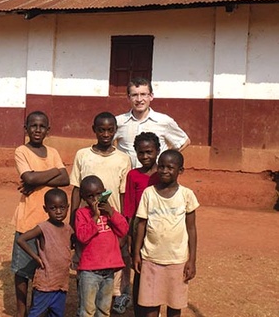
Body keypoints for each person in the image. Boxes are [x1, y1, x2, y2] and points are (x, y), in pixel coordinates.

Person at [69, 111, 131, 312]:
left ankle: (110, 307)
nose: (106, 134)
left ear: (115, 131)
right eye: (101, 130)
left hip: (111, 225)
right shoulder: (83, 155)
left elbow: (123, 195)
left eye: (110, 130)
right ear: (94, 130)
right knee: (85, 267)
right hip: (87, 222)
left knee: (110, 275)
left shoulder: (123, 159)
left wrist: (122, 224)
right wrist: (72, 224)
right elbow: (76, 190)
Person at [12, 110, 70, 317]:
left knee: (46, 265)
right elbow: (28, 177)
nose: (37, 130)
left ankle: (42, 306)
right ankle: (21, 310)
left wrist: (37, 179)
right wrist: (53, 172)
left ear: (48, 130)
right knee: (22, 269)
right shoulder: (22, 151)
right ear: (26, 129)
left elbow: (65, 179)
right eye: (33, 126)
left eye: (42, 126)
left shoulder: (53, 152)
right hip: (28, 216)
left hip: (51, 221)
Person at [133, 150, 199, 317]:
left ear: (180, 171)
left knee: (174, 306)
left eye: (170, 167)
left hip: (177, 260)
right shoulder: (149, 193)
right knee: (150, 307)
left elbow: (191, 228)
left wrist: (192, 259)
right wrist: (136, 253)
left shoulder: (186, 195)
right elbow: (141, 224)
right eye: (161, 167)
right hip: (151, 258)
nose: (164, 171)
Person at [74, 175, 129, 317]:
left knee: (104, 309)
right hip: (89, 272)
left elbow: (123, 230)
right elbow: (82, 236)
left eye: (98, 194)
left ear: (104, 192)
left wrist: (110, 213)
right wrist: (95, 217)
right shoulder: (82, 214)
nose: (95, 199)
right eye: (90, 196)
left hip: (108, 270)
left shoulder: (111, 212)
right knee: (87, 310)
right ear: (84, 198)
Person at [17, 188, 73, 317]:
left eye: (62, 207)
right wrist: (36, 257)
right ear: (45, 208)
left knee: (57, 313)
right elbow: (21, 239)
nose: (58, 212)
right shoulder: (43, 228)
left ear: (68, 207)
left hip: (61, 283)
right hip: (45, 283)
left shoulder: (68, 229)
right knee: (36, 312)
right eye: (53, 208)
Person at [123, 132, 161, 316]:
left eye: (149, 152)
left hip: (160, 228)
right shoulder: (133, 175)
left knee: (158, 269)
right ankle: (139, 310)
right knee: (140, 270)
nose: (145, 156)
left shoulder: (164, 173)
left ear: (158, 151)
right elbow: (129, 208)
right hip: (139, 229)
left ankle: (155, 309)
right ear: (135, 152)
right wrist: (130, 237)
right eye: (141, 152)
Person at [115, 77, 190, 169]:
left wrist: (165, 159)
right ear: (128, 98)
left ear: (151, 96)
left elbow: (183, 141)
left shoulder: (164, 121)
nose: (139, 99)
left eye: (143, 94)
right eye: (134, 95)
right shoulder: (118, 122)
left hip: (155, 178)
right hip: (128, 176)